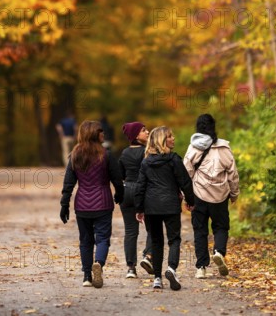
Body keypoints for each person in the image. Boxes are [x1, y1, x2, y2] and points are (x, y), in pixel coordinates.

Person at [60, 120, 124, 288]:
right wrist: (119, 193)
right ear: (94, 134)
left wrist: (64, 205)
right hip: (103, 202)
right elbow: (117, 179)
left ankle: (87, 276)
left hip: (82, 205)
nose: (103, 134)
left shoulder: (75, 154)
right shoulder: (106, 154)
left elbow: (68, 183)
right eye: (100, 131)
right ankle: (99, 264)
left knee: (85, 240)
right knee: (102, 238)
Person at [134, 126, 195, 290]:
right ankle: (171, 269)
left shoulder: (146, 162)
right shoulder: (174, 159)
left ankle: (157, 279)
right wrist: (190, 200)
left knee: (156, 241)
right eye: (170, 136)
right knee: (174, 239)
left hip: (151, 206)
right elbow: (185, 182)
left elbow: (140, 187)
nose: (173, 138)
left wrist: (139, 209)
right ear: (162, 140)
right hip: (171, 205)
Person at [183, 113, 240, 279]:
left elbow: (186, 173)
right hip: (220, 195)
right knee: (221, 227)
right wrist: (234, 193)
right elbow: (233, 173)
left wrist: (187, 196)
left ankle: (201, 267)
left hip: (199, 195)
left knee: (200, 230)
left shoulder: (193, 147)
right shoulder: (224, 148)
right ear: (213, 127)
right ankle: (219, 252)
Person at [118, 121, 153, 279]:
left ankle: (131, 268)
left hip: (126, 191)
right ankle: (148, 256)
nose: (148, 132)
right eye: (144, 131)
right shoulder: (148, 152)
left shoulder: (124, 153)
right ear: (136, 136)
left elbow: (120, 174)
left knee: (130, 231)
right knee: (153, 227)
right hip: (143, 191)